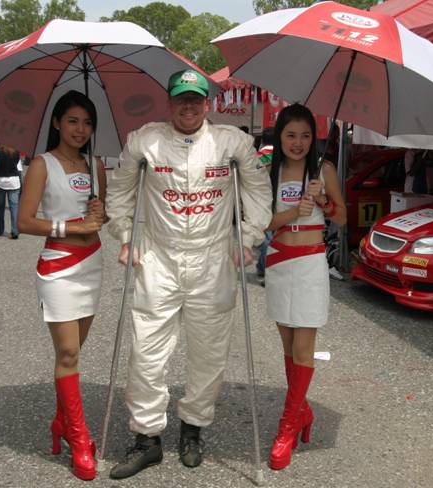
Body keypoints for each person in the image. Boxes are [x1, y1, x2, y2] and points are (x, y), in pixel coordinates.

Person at [107, 69, 272, 479]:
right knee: (146, 351)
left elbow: (257, 192)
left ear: (207, 104)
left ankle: (193, 429)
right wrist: (126, 235)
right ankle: (147, 438)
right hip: (158, 256)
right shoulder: (145, 141)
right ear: (169, 102)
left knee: (209, 353)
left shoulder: (232, 142)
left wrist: (248, 237)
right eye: (181, 98)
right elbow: (120, 192)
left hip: (213, 258)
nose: (188, 106)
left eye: (195, 99)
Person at [17, 90, 107, 481]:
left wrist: (100, 213)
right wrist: (71, 226)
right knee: (68, 352)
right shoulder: (42, 164)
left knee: (73, 353)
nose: (80, 129)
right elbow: (24, 221)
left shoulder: (96, 165)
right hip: (58, 266)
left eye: (87, 123)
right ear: (57, 123)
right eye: (72, 121)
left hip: (92, 264)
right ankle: (79, 436)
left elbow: (100, 219)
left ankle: (61, 421)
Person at [264, 103, 346, 470]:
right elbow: (262, 222)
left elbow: (342, 217)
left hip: (311, 263)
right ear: (280, 136)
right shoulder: (269, 172)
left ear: (314, 139)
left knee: (303, 347)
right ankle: (303, 410)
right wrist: (290, 213)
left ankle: (287, 426)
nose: (298, 142)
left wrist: (323, 200)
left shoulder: (323, 170)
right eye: (291, 135)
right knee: (287, 345)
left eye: (305, 136)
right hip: (279, 261)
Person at [256, 127, 274, 280]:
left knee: (265, 236)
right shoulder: (283, 155)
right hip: (278, 198)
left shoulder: (259, 155)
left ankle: (265, 267)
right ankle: (263, 266)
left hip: (261, 199)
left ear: (262, 140)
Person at [0, 144, 21, 238]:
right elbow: (16, 163)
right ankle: (15, 231)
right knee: (14, 207)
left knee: (0, 206)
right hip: (14, 181)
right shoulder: (16, 150)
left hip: (0, 181)